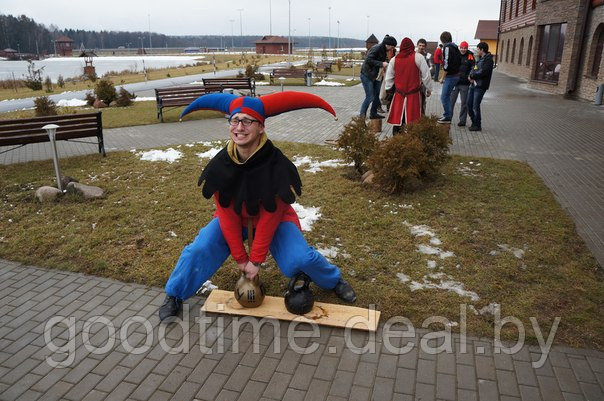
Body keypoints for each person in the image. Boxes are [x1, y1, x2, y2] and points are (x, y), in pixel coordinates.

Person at [158, 92, 357, 321]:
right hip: (235, 220)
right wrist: (242, 259)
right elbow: (227, 214)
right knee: (199, 249)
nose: (239, 127)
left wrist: (256, 260)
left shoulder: (278, 165)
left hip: (275, 220)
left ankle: (334, 280)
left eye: (248, 121)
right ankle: (174, 295)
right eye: (235, 120)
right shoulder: (219, 166)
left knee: (300, 259)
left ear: (261, 127)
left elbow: (271, 216)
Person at [384, 37, 432, 134]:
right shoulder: (419, 57)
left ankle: (396, 142)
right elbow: (426, 75)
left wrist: (388, 89)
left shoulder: (394, 60)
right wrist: (429, 88)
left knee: (398, 122)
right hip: (413, 96)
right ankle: (412, 144)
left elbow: (388, 78)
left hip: (399, 95)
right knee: (413, 122)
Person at [360, 35, 397, 119]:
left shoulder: (384, 50)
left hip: (376, 76)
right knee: (370, 96)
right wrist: (381, 63)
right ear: (388, 44)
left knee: (377, 95)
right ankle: (362, 115)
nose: (392, 49)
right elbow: (368, 60)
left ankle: (373, 113)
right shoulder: (376, 48)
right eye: (392, 46)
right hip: (367, 75)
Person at [467, 42, 494, 132]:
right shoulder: (479, 59)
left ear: (482, 50)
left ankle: (477, 125)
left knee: (475, 105)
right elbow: (474, 68)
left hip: (481, 86)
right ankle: (473, 122)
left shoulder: (488, 60)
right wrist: (470, 75)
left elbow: (483, 72)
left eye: (478, 49)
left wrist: (472, 76)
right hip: (473, 84)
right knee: (469, 104)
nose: (477, 51)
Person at [437, 31, 461, 124]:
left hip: (451, 76)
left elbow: (446, 63)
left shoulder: (447, 47)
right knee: (447, 96)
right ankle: (447, 114)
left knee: (444, 97)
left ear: (442, 40)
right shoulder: (455, 47)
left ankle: (447, 116)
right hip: (456, 74)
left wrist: (442, 77)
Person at [449, 41, 475, 127]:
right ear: (460, 47)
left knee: (464, 103)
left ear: (467, 48)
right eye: (462, 48)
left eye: (465, 48)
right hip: (455, 83)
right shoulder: (456, 54)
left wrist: (470, 75)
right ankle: (448, 118)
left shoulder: (470, 56)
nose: (463, 49)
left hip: (465, 84)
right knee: (451, 102)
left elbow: (473, 66)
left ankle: (462, 121)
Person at [416, 38, 430, 115]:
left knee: (422, 100)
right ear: (417, 45)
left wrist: (424, 71)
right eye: (420, 45)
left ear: (425, 47)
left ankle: (422, 117)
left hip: (423, 81)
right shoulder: (413, 55)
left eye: (423, 46)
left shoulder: (428, 56)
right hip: (414, 80)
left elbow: (432, 68)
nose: (421, 47)